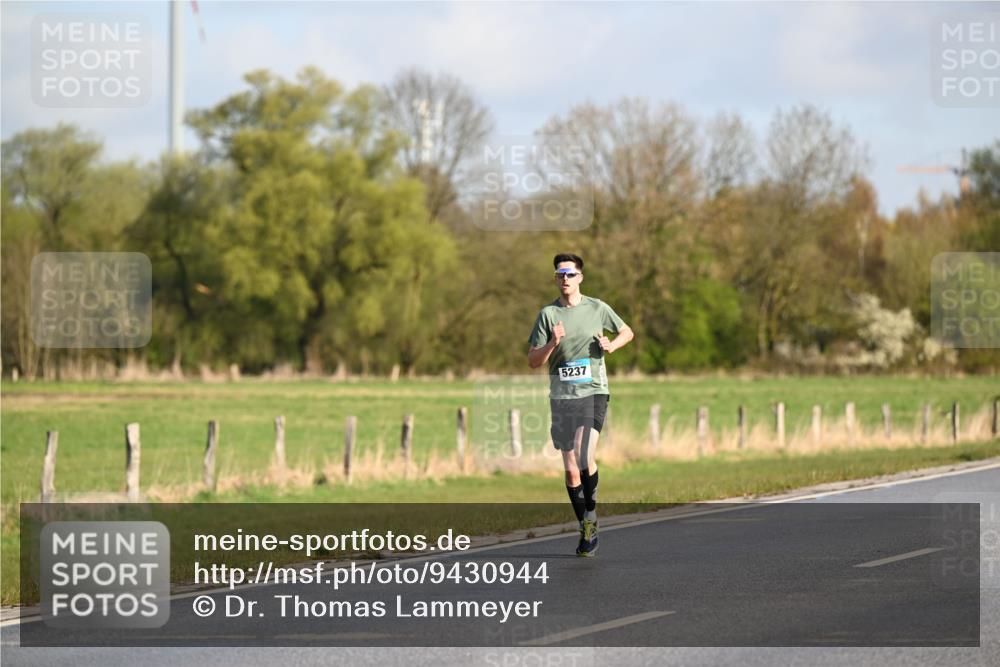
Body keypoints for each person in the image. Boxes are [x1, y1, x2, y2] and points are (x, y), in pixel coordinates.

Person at [527, 253, 633, 556]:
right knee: (572, 470)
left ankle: (590, 513)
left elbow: (627, 331)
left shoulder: (597, 308)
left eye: (570, 274)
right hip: (561, 397)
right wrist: (552, 344)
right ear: (555, 278)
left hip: (593, 391)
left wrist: (612, 344)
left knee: (585, 453)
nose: (565, 279)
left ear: (580, 278)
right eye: (560, 274)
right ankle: (588, 524)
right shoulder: (547, 315)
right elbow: (534, 361)